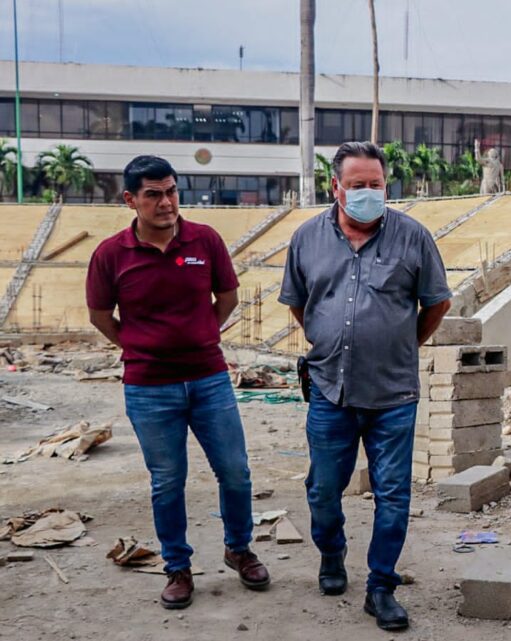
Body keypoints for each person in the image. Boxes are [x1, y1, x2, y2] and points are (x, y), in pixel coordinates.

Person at [279, 141, 452, 632]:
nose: (368, 193)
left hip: (393, 394)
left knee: (393, 493)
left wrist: (402, 343)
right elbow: (300, 302)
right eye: (357, 186)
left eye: (375, 185)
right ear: (336, 187)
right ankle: (331, 553)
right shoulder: (307, 238)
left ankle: (381, 586)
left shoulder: (413, 237)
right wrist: (329, 337)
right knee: (323, 488)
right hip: (329, 387)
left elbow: (436, 302)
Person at [86, 155, 269, 610]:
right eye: (153, 194)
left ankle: (239, 548)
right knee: (167, 481)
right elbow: (98, 314)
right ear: (130, 200)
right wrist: (137, 345)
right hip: (148, 387)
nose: (166, 202)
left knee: (235, 470)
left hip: (209, 379)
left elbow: (227, 296)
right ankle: (177, 567)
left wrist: (203, 333)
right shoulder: (111, 254)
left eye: (171, 191)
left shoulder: (204, 239)